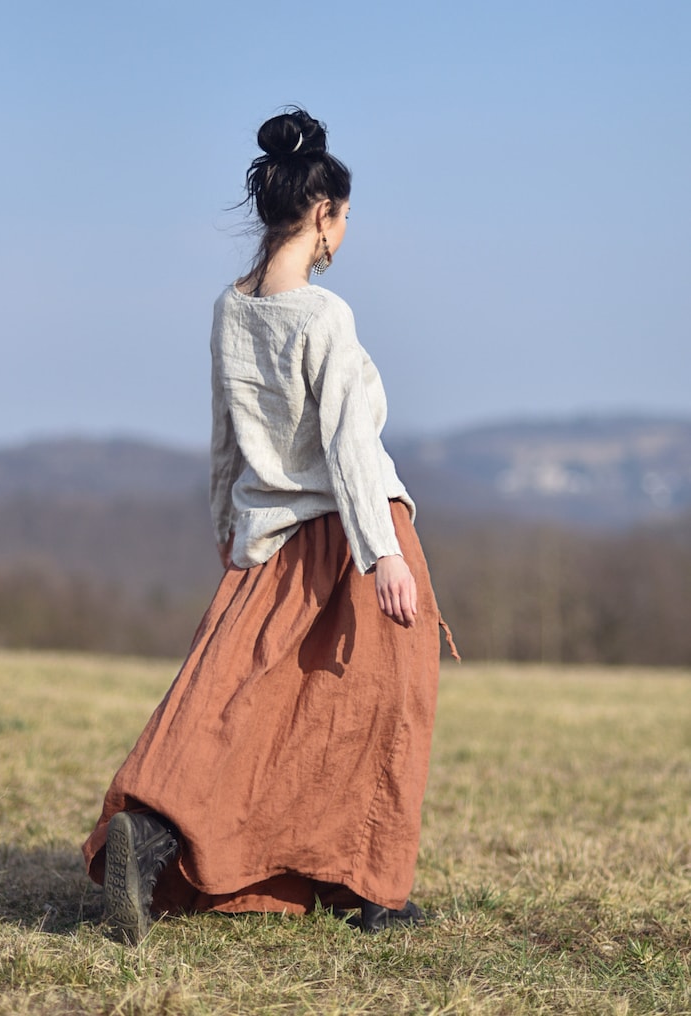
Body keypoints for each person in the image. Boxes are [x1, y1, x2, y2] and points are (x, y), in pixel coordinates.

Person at [82, 107, 459, 942]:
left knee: (236, 704)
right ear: (322, 215)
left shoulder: (231, 308)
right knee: (382, 707)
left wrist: (228, 521)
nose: (346, 234)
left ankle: (151, 835)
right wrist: (385, 552)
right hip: (352, 535)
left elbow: (225, 430)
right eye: (347, 218)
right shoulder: (324, 318)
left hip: (269, 539)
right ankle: (372, 892)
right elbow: (350, 447)